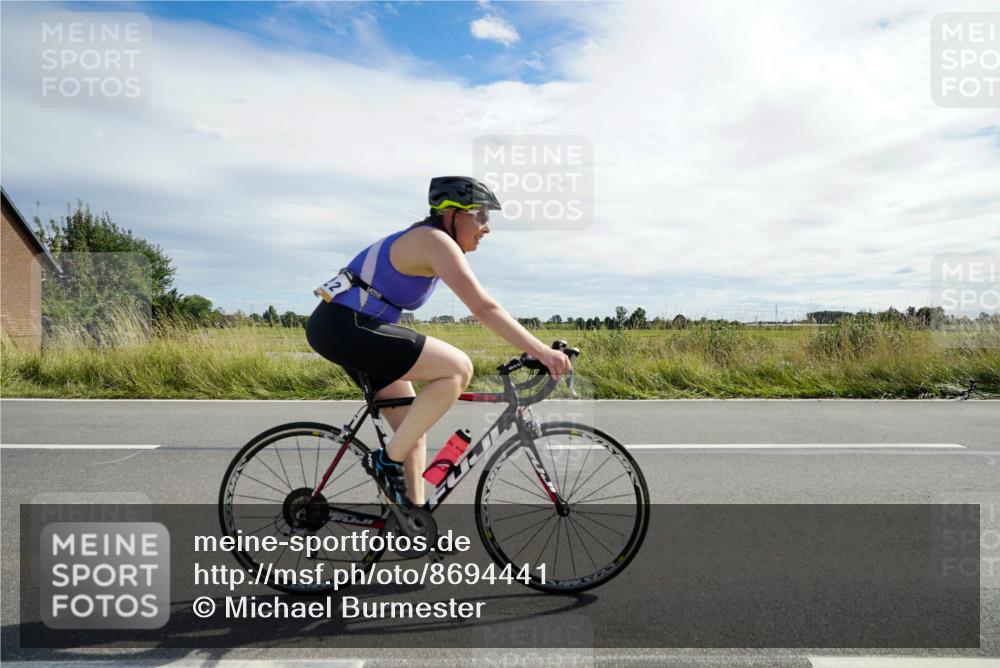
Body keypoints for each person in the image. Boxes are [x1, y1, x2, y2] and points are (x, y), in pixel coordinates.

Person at [305, 176, 572, 508]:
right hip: (346, 326)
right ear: (451, 214)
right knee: (457, 368)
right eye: (481, 215)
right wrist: (541, 351)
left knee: (411, 435)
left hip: (350, 328)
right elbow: (483, 307)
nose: (487, 227)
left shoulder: (432, 242)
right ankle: (385, 463)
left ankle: (413, 524)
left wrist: (535, 349)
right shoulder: (434, 241)